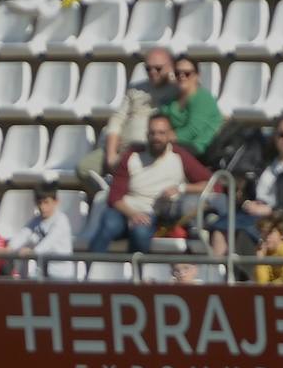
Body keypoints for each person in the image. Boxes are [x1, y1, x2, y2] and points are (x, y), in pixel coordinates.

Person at [85, 115, 213, 254]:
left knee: (140, 233)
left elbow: (212, 184)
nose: (156, 137)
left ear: (170, 135)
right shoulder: (131, 156)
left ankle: (134, 273)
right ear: (147, 135)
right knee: (108, 225)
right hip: (125, 209)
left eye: (161, 133)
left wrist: (182, 188)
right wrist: (133, 214)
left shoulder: (180, 157)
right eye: (152, 133)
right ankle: (90, 268)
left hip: (153, 213)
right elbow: (115, 197)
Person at [207, 116, 283, 257]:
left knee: (244, 233)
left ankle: (249, 275)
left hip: (282, 220)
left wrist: (271, 210)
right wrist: (247, 202)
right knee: (220, 227)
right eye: (281, 134)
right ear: (275, 136)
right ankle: (221, 274)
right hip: (252, 214)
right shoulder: (266, 161)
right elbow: (247, 191)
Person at [80, 47, 179, 181]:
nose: (153, 72)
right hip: (120, 147)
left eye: (158, 68)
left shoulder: (177, 90)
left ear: (170, 67)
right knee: (84, 168)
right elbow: (117, 120)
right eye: (148, 69)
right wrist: (111, 154)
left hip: (148, 150)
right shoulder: (135, 89)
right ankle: (107, 194)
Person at [160, 56, 222, 158]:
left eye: (187, 73)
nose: (182, 76)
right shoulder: (173, 98)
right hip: (176, 144)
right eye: (177, 73)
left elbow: (193, 130)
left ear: (197, 76)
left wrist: (167, 137)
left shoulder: (203, 98)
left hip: (199, 147)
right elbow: (162, 117)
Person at [7, 185, 74, 279]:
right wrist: (9, 247)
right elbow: (24, 233)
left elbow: (49, 242)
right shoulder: (37, 220)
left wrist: (33, 252)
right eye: (39, 203)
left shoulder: (61, 220)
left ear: (56, 202)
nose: (42, 207)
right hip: (43, 273)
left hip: (62, 275)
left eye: (46, 202)